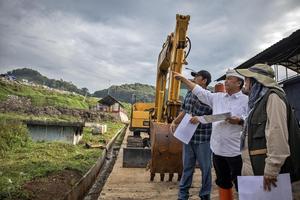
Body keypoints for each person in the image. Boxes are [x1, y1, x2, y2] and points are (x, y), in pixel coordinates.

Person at [174, 69, 248, 200]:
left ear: (239, 83)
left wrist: (240, 120)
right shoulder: (217, 97)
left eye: (230, 79)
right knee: (223, 182)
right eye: (226, 78)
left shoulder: (246, 100)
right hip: (218, 151)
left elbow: (251, 119)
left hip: (235, 151)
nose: (226, 81)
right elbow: (200, 92)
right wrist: (183, 80)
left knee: (240, 184)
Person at [236, 63, 300, 194]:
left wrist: (272, 169)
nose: (245, 82)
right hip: (254, 168)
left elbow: (277, 135)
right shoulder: (257, 101)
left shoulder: (273, 97)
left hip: (265, 171)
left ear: (256, 80)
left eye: (247, 78)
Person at [171, 70, 213, 200]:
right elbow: (185, 111)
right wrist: (175, 121)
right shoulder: (189, 94)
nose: (194, 79)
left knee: (206, 169)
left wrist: (200, 118)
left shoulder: (210, 96)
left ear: (204, 80)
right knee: (187, 168)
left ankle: (205, 195)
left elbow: (215, 117)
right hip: (187, 137)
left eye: (197, 77)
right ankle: (183, 195)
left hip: (203, 139)